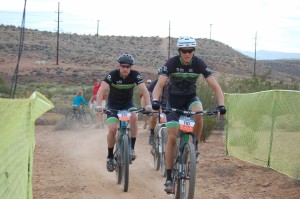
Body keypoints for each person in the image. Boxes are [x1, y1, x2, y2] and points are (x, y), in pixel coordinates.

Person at [151, 36, 226, 194]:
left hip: (190, 99)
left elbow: (215, 86)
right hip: (173, 103)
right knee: (172, 137)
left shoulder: (198, 63)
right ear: (179, 51)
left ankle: (195, 147)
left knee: (198, 114)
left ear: (193, 51)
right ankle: (169, 178)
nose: (187, 54)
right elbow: (159, 85)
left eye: (190, 50)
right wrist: (156, 101)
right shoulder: (171, 63)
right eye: (184, 51)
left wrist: (221, 105)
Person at [95, 53, 152, 172]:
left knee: (134, 118)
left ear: (131, 67)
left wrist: (148, 105)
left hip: (128, 104)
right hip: (113, 106)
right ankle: (110, 156)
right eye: (123, 66)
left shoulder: (135, 75)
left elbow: (144, 90)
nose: (125, 69)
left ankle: (131, 147)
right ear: (119, 66)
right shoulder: (112, 75)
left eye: (128, 67)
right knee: (112, 129)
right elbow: (102, 90)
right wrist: (99, 105)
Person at [146, 70, 169, 145]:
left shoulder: (171, 84)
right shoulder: (154, 84)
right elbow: (147, 95)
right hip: (156, 103)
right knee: (155, 114)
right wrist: (148, 105)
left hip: (167, 104)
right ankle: (152, 133)